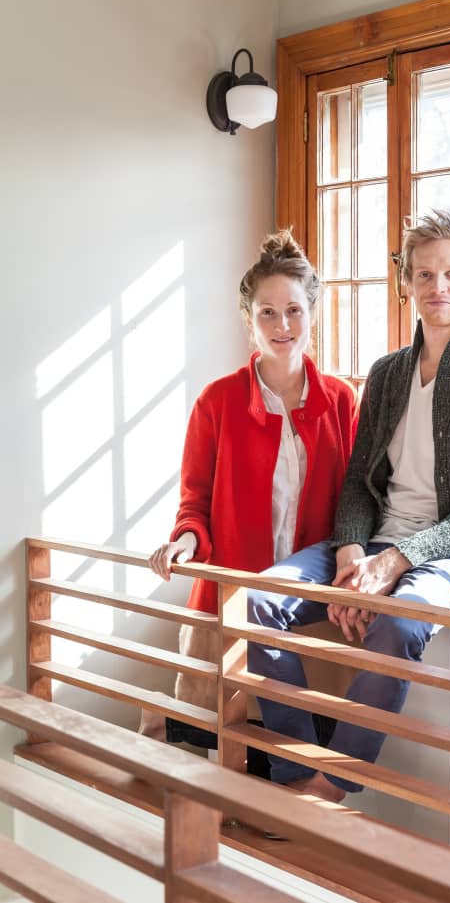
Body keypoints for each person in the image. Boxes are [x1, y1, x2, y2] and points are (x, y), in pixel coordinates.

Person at [247, 209, 450, 803]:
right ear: (406, 282)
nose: (438, 287)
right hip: (373, 542)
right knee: (257, 600)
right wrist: (352, 553)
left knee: (399, 622)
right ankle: (294, 771)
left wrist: (398, 560)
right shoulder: (387, 374)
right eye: (424, 274)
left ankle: (332, 783)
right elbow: (360, 480)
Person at [148, 229, 358, 728]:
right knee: (219, 746)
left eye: (293, 310)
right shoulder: (216, 402)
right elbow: (195, 502)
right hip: (228, 605)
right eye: (267, 312)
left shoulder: (342, 401)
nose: (282, 325)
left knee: (302, 750)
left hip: (312, 611)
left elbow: (357, 503)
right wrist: (184, 542)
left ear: (312, 314)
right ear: (249, 319)